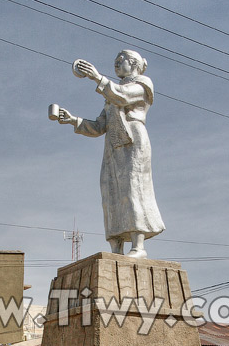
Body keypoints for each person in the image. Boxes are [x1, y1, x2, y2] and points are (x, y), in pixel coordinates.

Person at [56, 50, 165, 259]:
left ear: (133, 64)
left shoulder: (142, 84)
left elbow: (122, 97)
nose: (116, 64)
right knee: (110, 192)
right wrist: (73, 120)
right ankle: (116, 247)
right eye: (114, 61)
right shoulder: (111, 93)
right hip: (112, 146)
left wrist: (96, 77)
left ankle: (138, 246)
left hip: (133, 139)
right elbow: (99, 126)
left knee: (133, 189)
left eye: (120, 61)